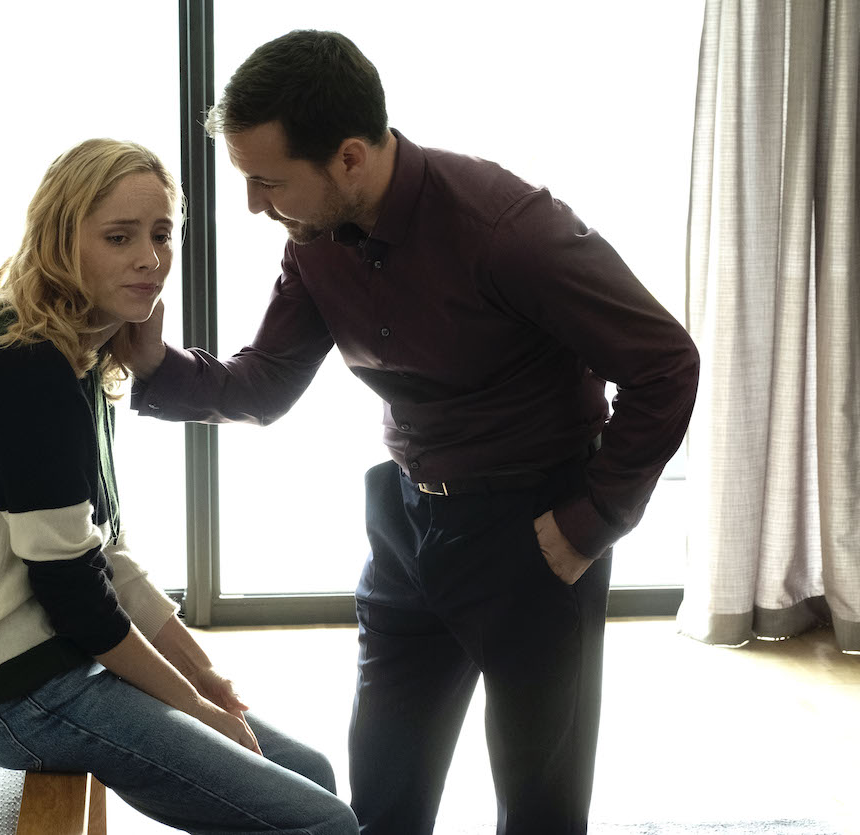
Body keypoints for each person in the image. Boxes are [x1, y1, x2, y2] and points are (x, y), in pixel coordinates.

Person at [126, 30, 701, 835]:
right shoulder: (314, 238)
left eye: (266, 181)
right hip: (406, 526)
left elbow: (667, 364)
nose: (255, 204)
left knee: (541, 806)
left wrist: (590, 522)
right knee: (384, 799)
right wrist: (153, 364)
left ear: (350, 158)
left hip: (535, 536)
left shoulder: (509, 229)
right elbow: (264, 386)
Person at [0, 138, 358, 835]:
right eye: (119, 237)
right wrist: (201, 712)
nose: (150, 258)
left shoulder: (65, 345)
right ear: (60, 239)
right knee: (321, 821)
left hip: (53, 654)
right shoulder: (23, 369)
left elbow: (97, 552)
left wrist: (207, 677)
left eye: (161, 233)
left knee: (309, 773)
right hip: (18, 692)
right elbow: (80, 597)